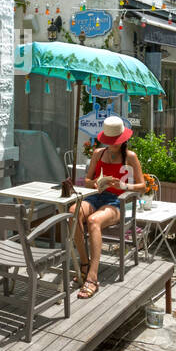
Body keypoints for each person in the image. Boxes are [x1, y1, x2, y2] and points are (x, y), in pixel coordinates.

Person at [75, 116, 145, 299]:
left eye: (116, 142)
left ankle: (92, 276)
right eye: (110, 142)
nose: (112, 145)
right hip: (96, 196)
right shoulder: (98, 153)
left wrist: (124, 187)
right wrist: (96, 183)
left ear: (123, 140)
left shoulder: (130, 157)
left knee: (93, 221)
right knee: (72, 212)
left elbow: (142, 187)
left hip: (117, 202)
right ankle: (84, 263)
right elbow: (88, 181)